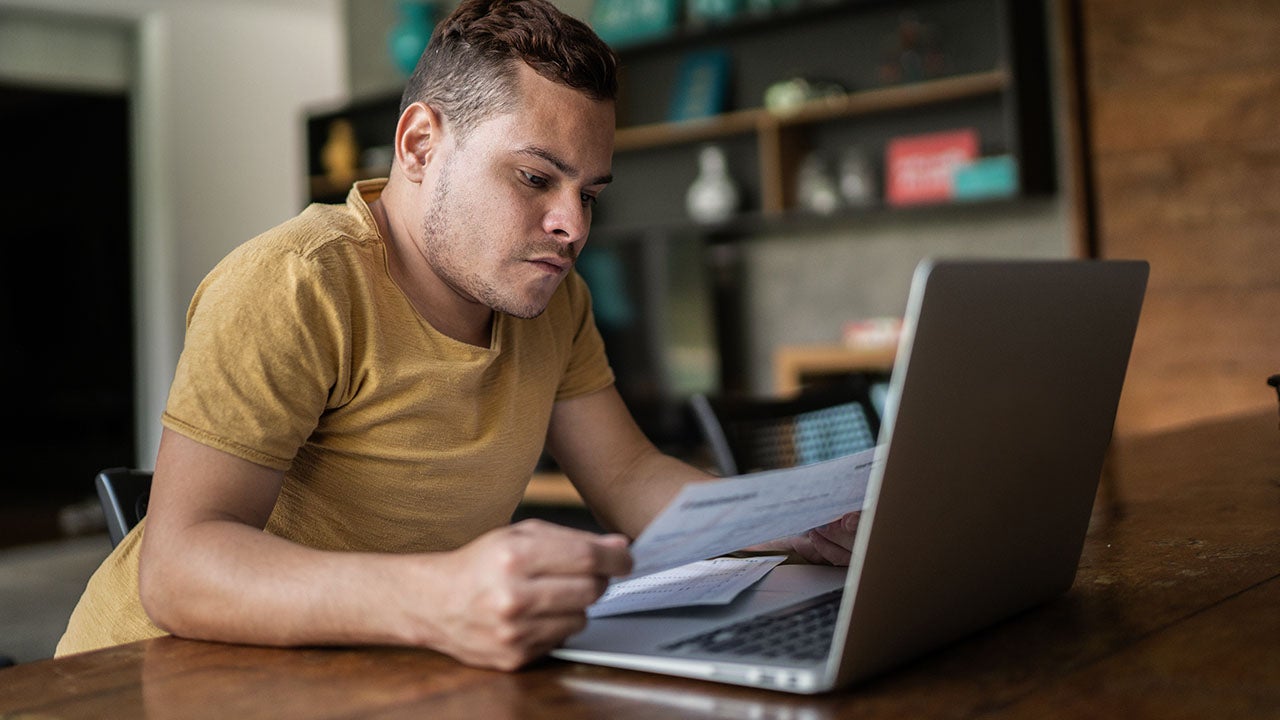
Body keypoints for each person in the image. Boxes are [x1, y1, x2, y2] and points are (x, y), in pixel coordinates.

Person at [56, 0, 859, 670]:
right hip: (155, 678)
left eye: (590, 192)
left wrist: (797, 520)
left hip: (363, 674)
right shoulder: (295, 284)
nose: (572, 225)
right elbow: (180, 567)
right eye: (536, 178)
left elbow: (631, 477)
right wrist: (441, 596)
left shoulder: (554, 301)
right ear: (419, 145)